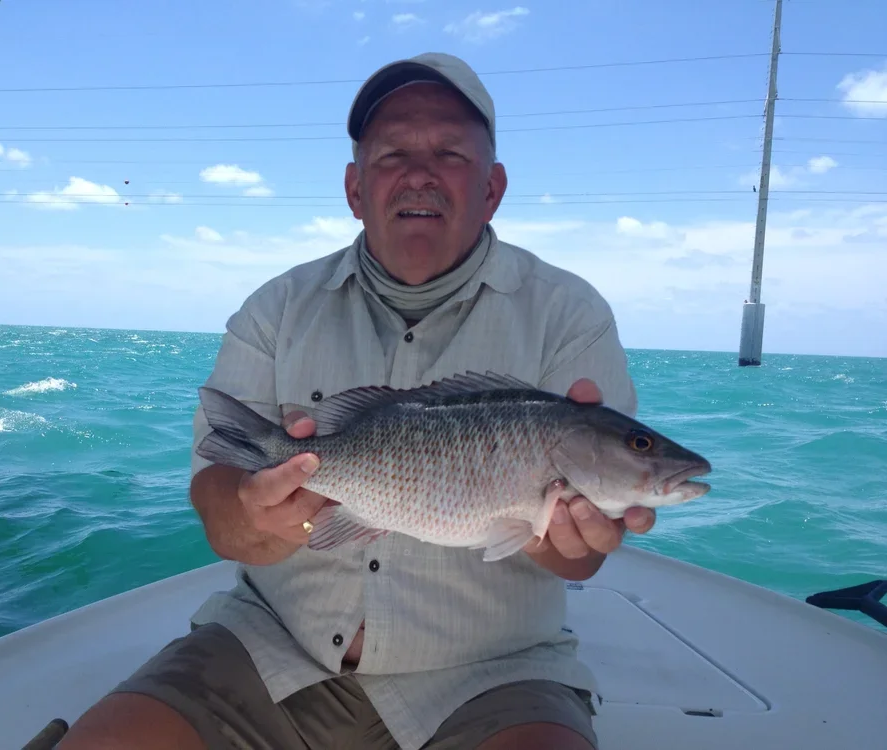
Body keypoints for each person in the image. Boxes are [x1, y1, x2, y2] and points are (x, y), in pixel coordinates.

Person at [60, 51, 656, 750]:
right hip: (266, 651)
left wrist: (576, 544)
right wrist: (262, 519)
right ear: (354, 188)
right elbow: (220, 512)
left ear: (492, 188)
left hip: (493, 676)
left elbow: (578, 561)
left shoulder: (568, 314)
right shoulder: (277, 308)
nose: (419, 172)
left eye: (450, 154)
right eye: (392, 153)